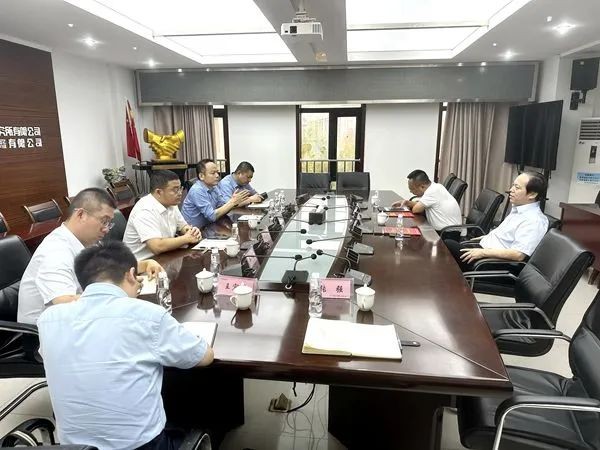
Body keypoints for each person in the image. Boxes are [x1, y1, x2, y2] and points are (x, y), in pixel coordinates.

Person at [37, 241, 214, 449]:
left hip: (74, 447)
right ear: (131, 275)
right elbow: (204, 356)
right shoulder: (146, 315)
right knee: (203, 419)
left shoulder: (48, 319)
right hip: (140, 445)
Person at [17, 188, 163, 324]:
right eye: (104, 221)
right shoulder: (55, 251)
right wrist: (119, 293)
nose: (106, 229)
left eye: (109, 223)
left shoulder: (86, 241)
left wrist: (144, 264)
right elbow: (65, 303)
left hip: (80, 320)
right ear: (81, 215)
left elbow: (110, 267)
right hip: (47, 332)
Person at [444, 171, 549, 272]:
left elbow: (518, 255)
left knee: (447, 245)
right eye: (513, 185)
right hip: (484, 251)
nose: (511, 190)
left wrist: (482, 253)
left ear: (532, 194)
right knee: (444, 250)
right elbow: (505, 237)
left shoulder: (535, 220)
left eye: (517, 188)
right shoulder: (518, 209)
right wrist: (485, 238)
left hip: (493, 262)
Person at [124, 170, 202, 260]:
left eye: (180, 188)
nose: (180, 193)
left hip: (164, 257)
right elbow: (157, 246)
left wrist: (192, 232)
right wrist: (186, 238)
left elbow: (182, 226)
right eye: (175, 190)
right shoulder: (145, 210)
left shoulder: (171, 203)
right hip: (140, 263)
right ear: (159, 192)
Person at [181, 158, 250, 228]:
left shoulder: (214, 187)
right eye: (213, 173)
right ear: (201, 176)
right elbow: (212, 216)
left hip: (209, 227)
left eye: (217, 172)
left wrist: (234, 203)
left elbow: (222, 206)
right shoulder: (197, 190)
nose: (217, 175)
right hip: (193, 230)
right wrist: (232, 202)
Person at [392, 169, 461, 231]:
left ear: (422, 186)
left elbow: (416, 210)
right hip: (446, 229)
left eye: (412, 189)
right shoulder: (436, 186)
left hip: (447, 233)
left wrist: (412, 204)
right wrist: (407, 203)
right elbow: (422, 205)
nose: (410, 191)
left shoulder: (432, 191)